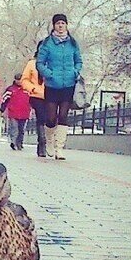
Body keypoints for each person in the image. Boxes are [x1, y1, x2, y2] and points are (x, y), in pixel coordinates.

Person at [36, 14, 83, 160]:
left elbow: (79, 61)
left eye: (63, 23)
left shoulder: (73, 44)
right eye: (58, 23)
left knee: (63, 116)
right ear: (54, 26)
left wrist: (75, 72)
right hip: (52, 85)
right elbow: (39, 63)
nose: (61, 26)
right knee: (50, 118)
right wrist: (49, 74)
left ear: (67, 25)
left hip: (68, 84)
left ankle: (59, 148)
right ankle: (49, 140)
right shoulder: (47, 43)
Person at [21, 41, 46, 157]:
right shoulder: (32, 64)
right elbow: (24, 80)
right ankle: (42, 142)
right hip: (36, 95)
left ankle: (50, 141)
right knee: (41, 117)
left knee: (51, 119)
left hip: (52, 95)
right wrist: (33, 88)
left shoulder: (53, 63)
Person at [1, 73, 31, 150]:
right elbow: (5, 100)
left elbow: (32, 100)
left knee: (22, 129)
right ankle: (13, 142)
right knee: (14, 128)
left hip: (25, 113)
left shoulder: (27, 89)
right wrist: (2, 109)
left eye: (20, 80)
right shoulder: (10, 89)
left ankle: (20, 143)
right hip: (13, 112)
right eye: (18, 79)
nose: (19, 81)